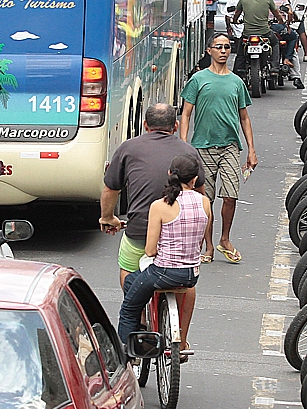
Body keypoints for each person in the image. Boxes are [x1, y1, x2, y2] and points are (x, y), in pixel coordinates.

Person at [101, 104, 207, 345]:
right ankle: (182, 339)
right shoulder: (188, 150)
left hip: (138, 231)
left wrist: (108, 218)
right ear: (176, 126)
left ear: (145, 126)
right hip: (182, 246)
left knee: (128, 268)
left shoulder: (129, 147)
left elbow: (111, 188)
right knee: (186, 285)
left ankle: (138, 318)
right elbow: (201, 196)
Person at [117, 154, 211, 353]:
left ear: (169, 174)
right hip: (190, 275)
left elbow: (150, 250)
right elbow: (199, 241)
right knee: (138, 282)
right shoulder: (205, 203)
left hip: (162, 273)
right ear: (194, 179)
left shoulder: (160, 206)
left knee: (129, 306)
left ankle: (126, 356)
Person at [180, 33, 258, 264]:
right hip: (202, 148)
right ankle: (209, 246)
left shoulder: (237, 82)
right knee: (206, 200)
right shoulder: (198, 79)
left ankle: (225, 239)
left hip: (230, 147)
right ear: (209, 50)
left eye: (227, 47)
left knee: (231, 195)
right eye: (218, 47)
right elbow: (185, 114)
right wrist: (184, 144)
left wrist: (251, 149)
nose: (223, 51)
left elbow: (244, 117)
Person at [231, 0, 285, 70]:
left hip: (247, 33)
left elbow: (236, 15)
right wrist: (281, 21)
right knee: (275, 43)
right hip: (265, 33)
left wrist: (235, 21)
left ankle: (238, 71)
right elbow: (277, 15)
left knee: (240, 53)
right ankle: (274, 67)